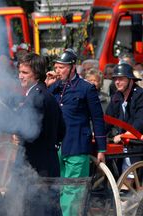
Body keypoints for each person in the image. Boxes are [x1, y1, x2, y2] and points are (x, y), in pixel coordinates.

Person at [46, 48, 106, 216]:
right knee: (58, 188)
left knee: (73, 190)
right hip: (58, 147)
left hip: (78, 146)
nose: (57, 71)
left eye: (62, 67)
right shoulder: (53, 88)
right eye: (56, 67)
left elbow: (97, 118)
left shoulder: (86, 88)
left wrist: (101, 148)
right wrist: (46, 85)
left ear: (72, 68)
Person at [5, 52, 65, 216]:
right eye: (20, 72)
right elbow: (61, 131)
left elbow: (27, 130)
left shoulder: (35, 97)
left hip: (34, 167)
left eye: (25, 73)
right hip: (49, 163)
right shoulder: (47, 95)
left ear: (36, 74)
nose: (20, 76)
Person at [105, 62, 143, 175]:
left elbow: (140, 121)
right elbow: (108, 119)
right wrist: (97, 133)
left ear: (131, 80)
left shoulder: (140, 95)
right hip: (122, 146)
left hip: (138, 145)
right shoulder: (116, 97)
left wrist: (124, 135)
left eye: (121, 79)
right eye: (115, 79)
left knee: (132, 178)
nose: (117, 82)